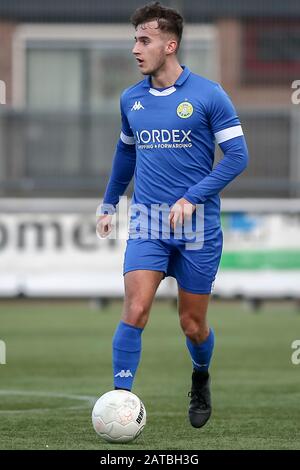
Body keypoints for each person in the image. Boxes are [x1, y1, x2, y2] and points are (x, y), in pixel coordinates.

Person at [96, 1, 248, 428]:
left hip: (197, 227)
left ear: (170, 44)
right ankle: (120, 400)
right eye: (135, 39)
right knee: (136, 308)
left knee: (192, 324)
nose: (135, 49)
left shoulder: (209, 94)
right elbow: (125, 154)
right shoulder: (131, 99)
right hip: (147, 222)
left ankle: (200, 376)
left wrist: (192, 198)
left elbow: (237, 156)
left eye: (144, 40)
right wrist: (109, 204)